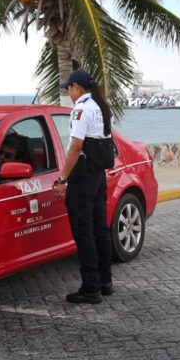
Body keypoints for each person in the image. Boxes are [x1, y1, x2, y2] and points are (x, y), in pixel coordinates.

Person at [53, 69, 115, 305]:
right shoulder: (100, 106)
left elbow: (76, 146)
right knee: (100, 229)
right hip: (98, 175)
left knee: (84, 232)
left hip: (84, 176)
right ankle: (104, 282)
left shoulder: (80, 109)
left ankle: (90, 289)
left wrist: (62, 180)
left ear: (77, 88)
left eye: (68, 88)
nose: (68, 92)